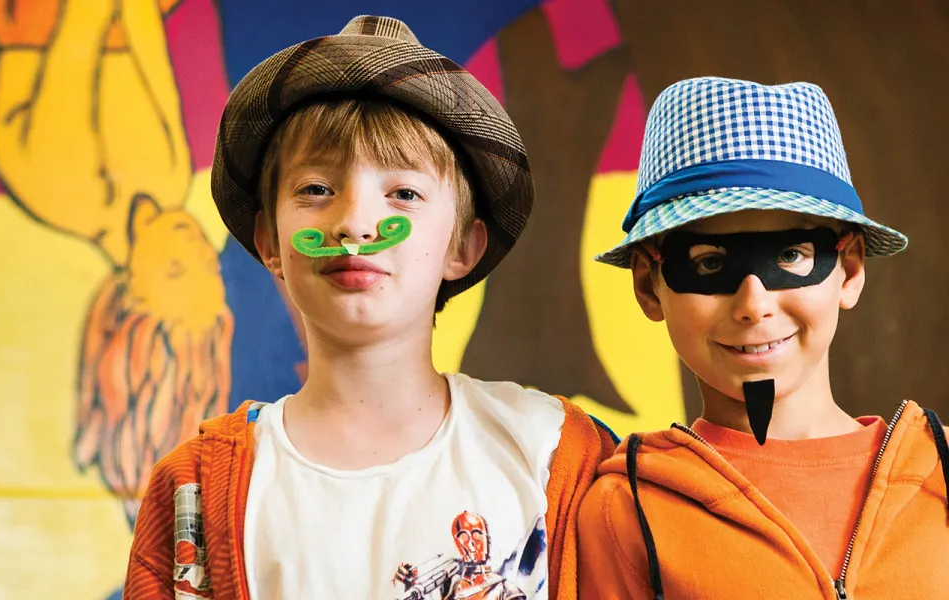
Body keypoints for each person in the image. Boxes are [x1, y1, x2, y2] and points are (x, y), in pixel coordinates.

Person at [121, 15, 617, 600]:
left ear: (462, 246)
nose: (354, 224)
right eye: (316, 190)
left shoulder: (555, 453)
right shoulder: (197, 488)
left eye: (403, 193)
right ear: (268, 242)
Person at [576, 76, 949, 599]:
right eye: (708, 263)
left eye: (791, 256)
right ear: (649, 285)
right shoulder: (628, 510)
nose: (754, 305)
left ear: (850, 269)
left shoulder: (943, 473)